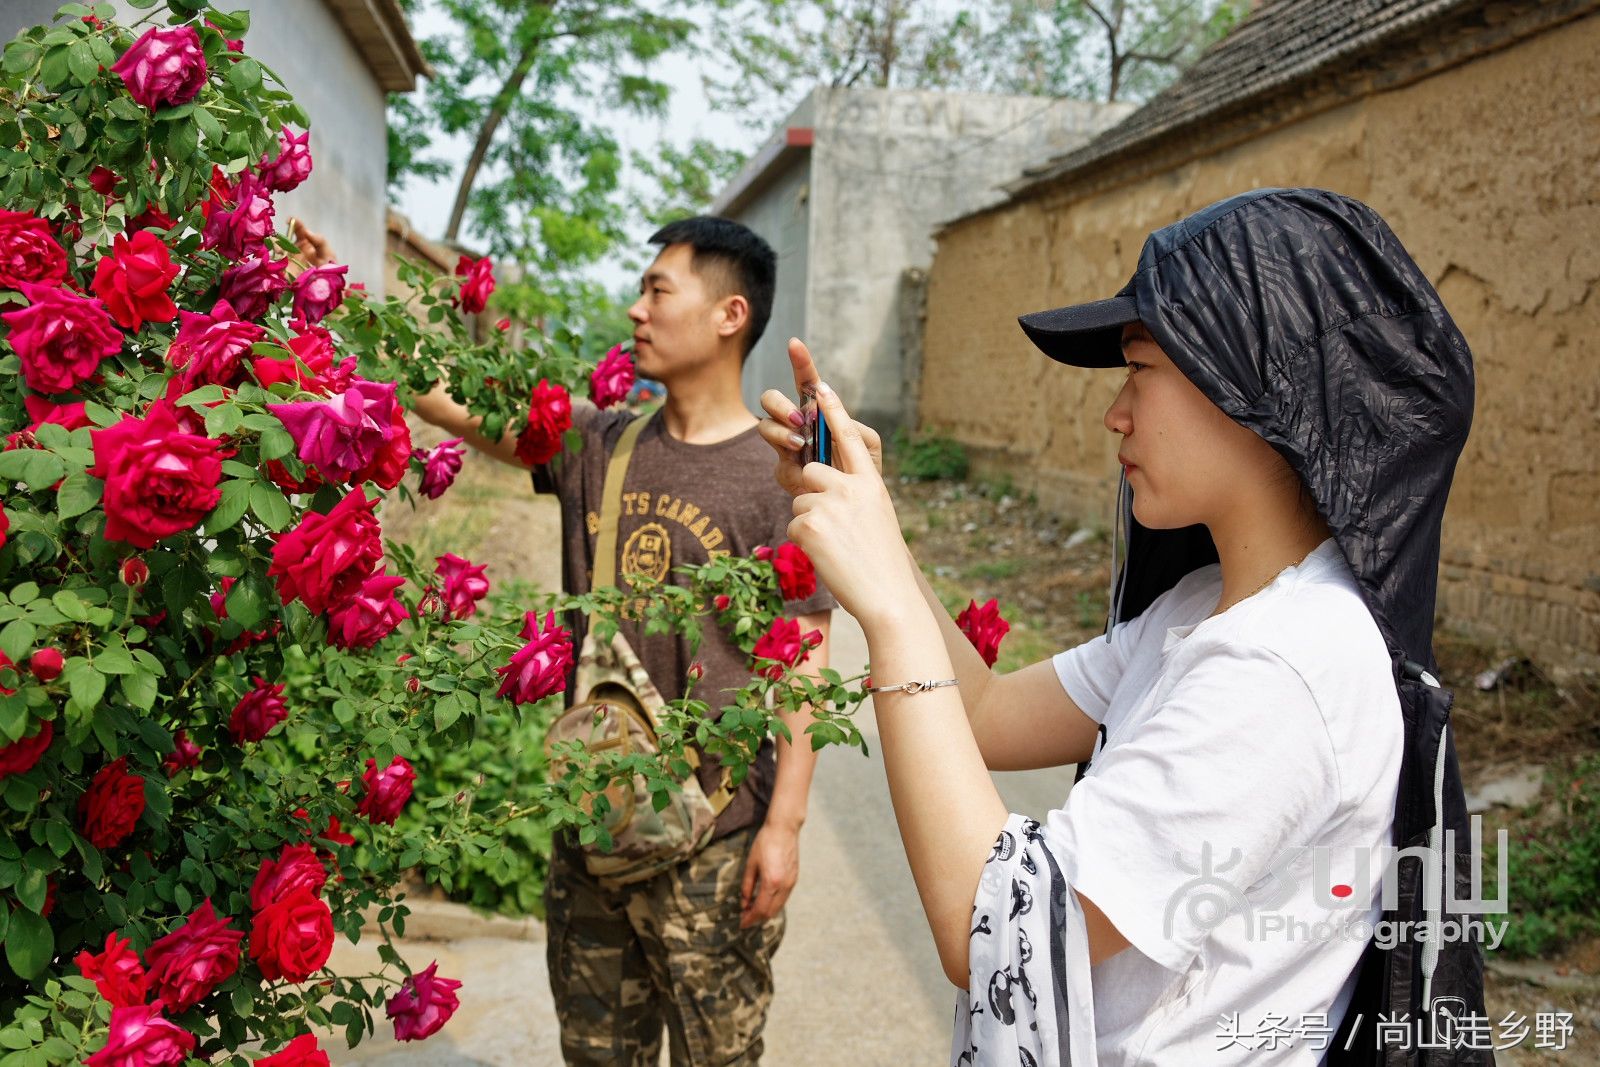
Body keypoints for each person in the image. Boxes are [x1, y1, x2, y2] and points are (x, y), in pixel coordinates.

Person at [758, 188, 1485, 1064]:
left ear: (1256, 383)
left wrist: (883, 607)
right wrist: (880, 526)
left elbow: (992, 931)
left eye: (1141, 368)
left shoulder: (1288, 664)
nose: (1116, 412)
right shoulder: (1204, 608)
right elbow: (986, 713)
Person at [412, 216, 835, 1065]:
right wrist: (346, 308)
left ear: (729, 315)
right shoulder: (600, 444)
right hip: (594, 833)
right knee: (599, 1053)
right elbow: (459, 404)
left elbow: (804, 657)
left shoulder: (777, 474)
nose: (637, 309)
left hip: (715, 840)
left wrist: (782, 826)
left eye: (658, 289)